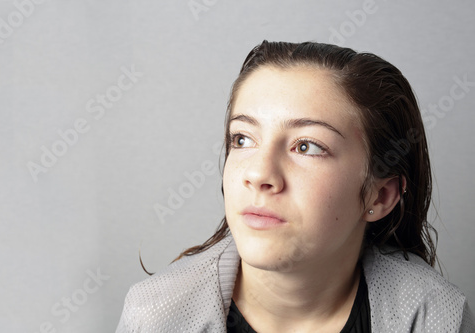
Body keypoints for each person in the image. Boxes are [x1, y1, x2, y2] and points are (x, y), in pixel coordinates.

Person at [115, 41, 474, 332]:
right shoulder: (156, 316)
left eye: (306, 146)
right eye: (242, 139)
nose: (258, 174)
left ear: (379, 196)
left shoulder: (434, 318)